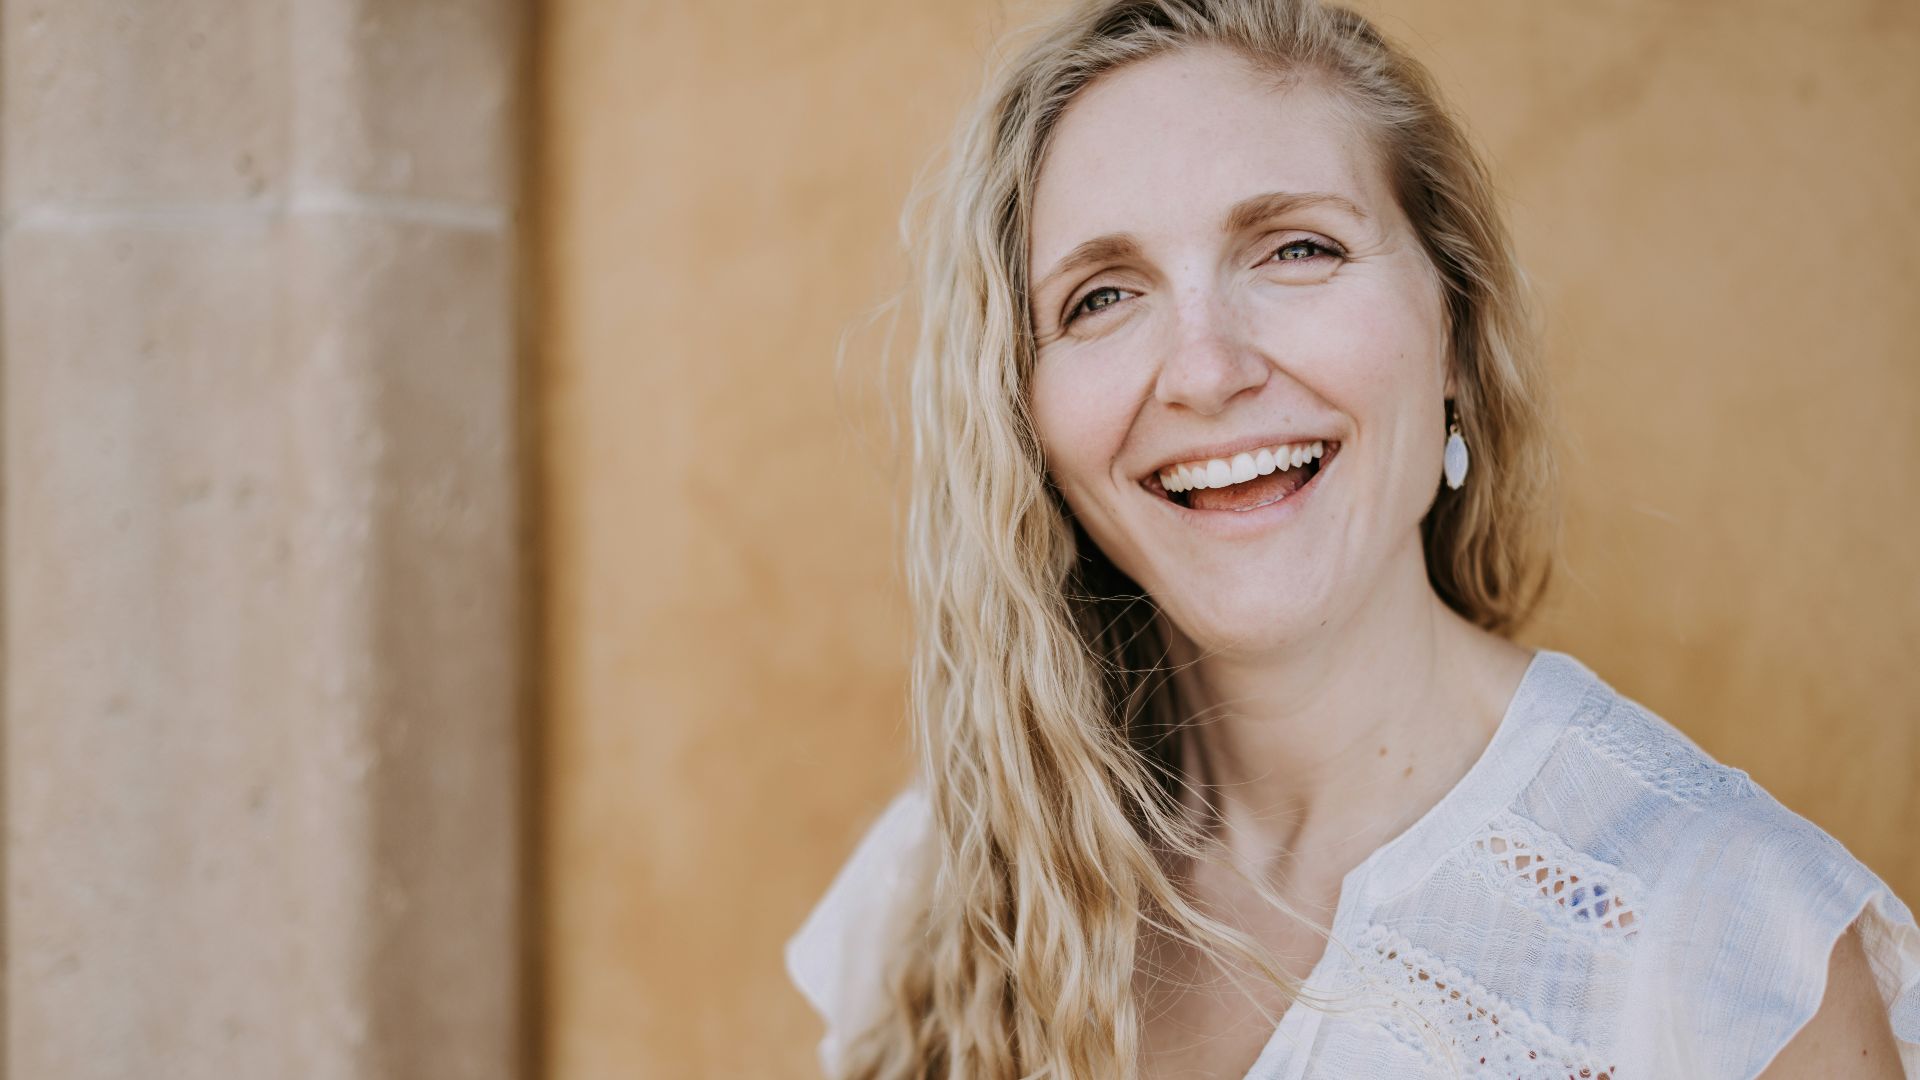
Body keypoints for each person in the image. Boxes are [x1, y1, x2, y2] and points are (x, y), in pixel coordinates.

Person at [785, 1, 1920, 1076]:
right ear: (1025, 420)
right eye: (1101, 297)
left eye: (1297, 250)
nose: (1206, 371)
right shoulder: (953, 878)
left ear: (1457, 341)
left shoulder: (1726, 943)